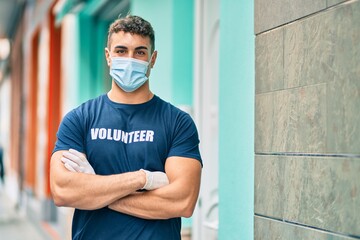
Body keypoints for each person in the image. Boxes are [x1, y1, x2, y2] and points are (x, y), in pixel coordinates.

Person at [50, 15, 202, 240]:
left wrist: (97, 190)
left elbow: (182, 201)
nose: (130, 59)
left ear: (153, 59)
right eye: (121, 51)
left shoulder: (177, 122)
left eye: (140, 52)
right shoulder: (79, 119)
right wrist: (144, 179)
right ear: (108, 56)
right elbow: (63, 191)